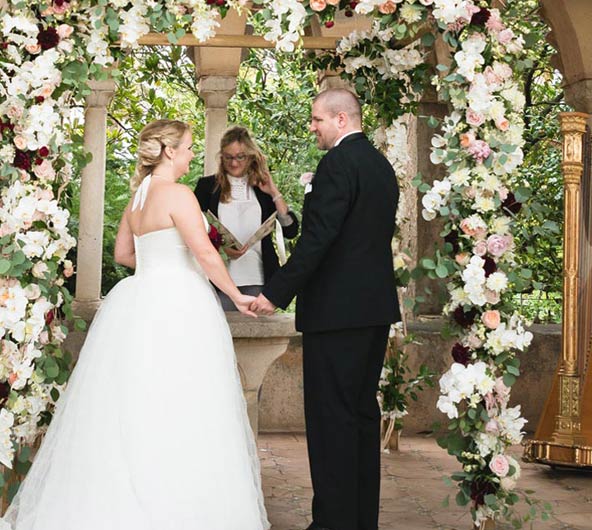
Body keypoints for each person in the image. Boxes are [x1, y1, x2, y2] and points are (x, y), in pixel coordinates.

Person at [1, 120, 268, 529]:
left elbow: (124, 254)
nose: (192, 155)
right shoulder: (178, 194)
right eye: (188, 148)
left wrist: (161, 258)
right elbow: (206, 254)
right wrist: (236, 294)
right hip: (179, 303)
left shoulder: (139, 196)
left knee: (134, 400)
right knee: (184, 400)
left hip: (139, 299)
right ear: (169, 151)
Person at [249, 89, 400, 530]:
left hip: (336, 316)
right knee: (361, 417)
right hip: (373, 312)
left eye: (317, 119)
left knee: (331, 421)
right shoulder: (380, 166)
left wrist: (276, 292)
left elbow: (319, 239)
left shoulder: (337, 164)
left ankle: (333, 523)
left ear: (340, 119)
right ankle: (360, 522)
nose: (312, 127)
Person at [194, 126, 299, 310]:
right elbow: (194, 232)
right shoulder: (207, 187)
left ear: (250, 157)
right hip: (218, 280)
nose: (234, 163)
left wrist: (274, 192)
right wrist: (221, 249)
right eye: (228, 157)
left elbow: (290, 230)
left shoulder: (262, 188)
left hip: (258, 279)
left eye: (240, 157)